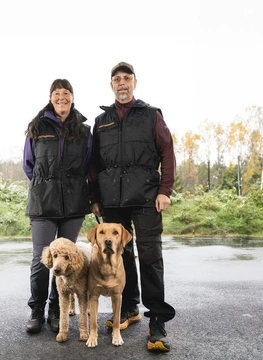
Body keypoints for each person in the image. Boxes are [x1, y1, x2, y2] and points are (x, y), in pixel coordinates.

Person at [88, 62, 176, 352]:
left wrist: (165, 190)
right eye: (116, 79)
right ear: (111, 85)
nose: (121, 83)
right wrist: (95, 198)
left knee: (150, 257)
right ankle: (129, 308)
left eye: (126, 78)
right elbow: (94, 165)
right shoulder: (101, 122)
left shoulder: (151, 115)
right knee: (120, 255)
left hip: (147, 197)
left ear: (134, 83)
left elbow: (167, 151)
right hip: (113, 200)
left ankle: (158, 321)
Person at [23, 79, 92, 334]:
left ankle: (55, 310)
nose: (61, 97)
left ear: (72, 98)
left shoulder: (84, 131)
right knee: (41, 258)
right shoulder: (37, 127)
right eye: (56, 93)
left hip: (73, 205)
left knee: (65, 259)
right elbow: (28, 165)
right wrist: (45, 186)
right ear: (51, 98)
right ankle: (36, 310)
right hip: (43, 203)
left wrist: (69, 186)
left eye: (66, 93)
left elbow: (86, 165)